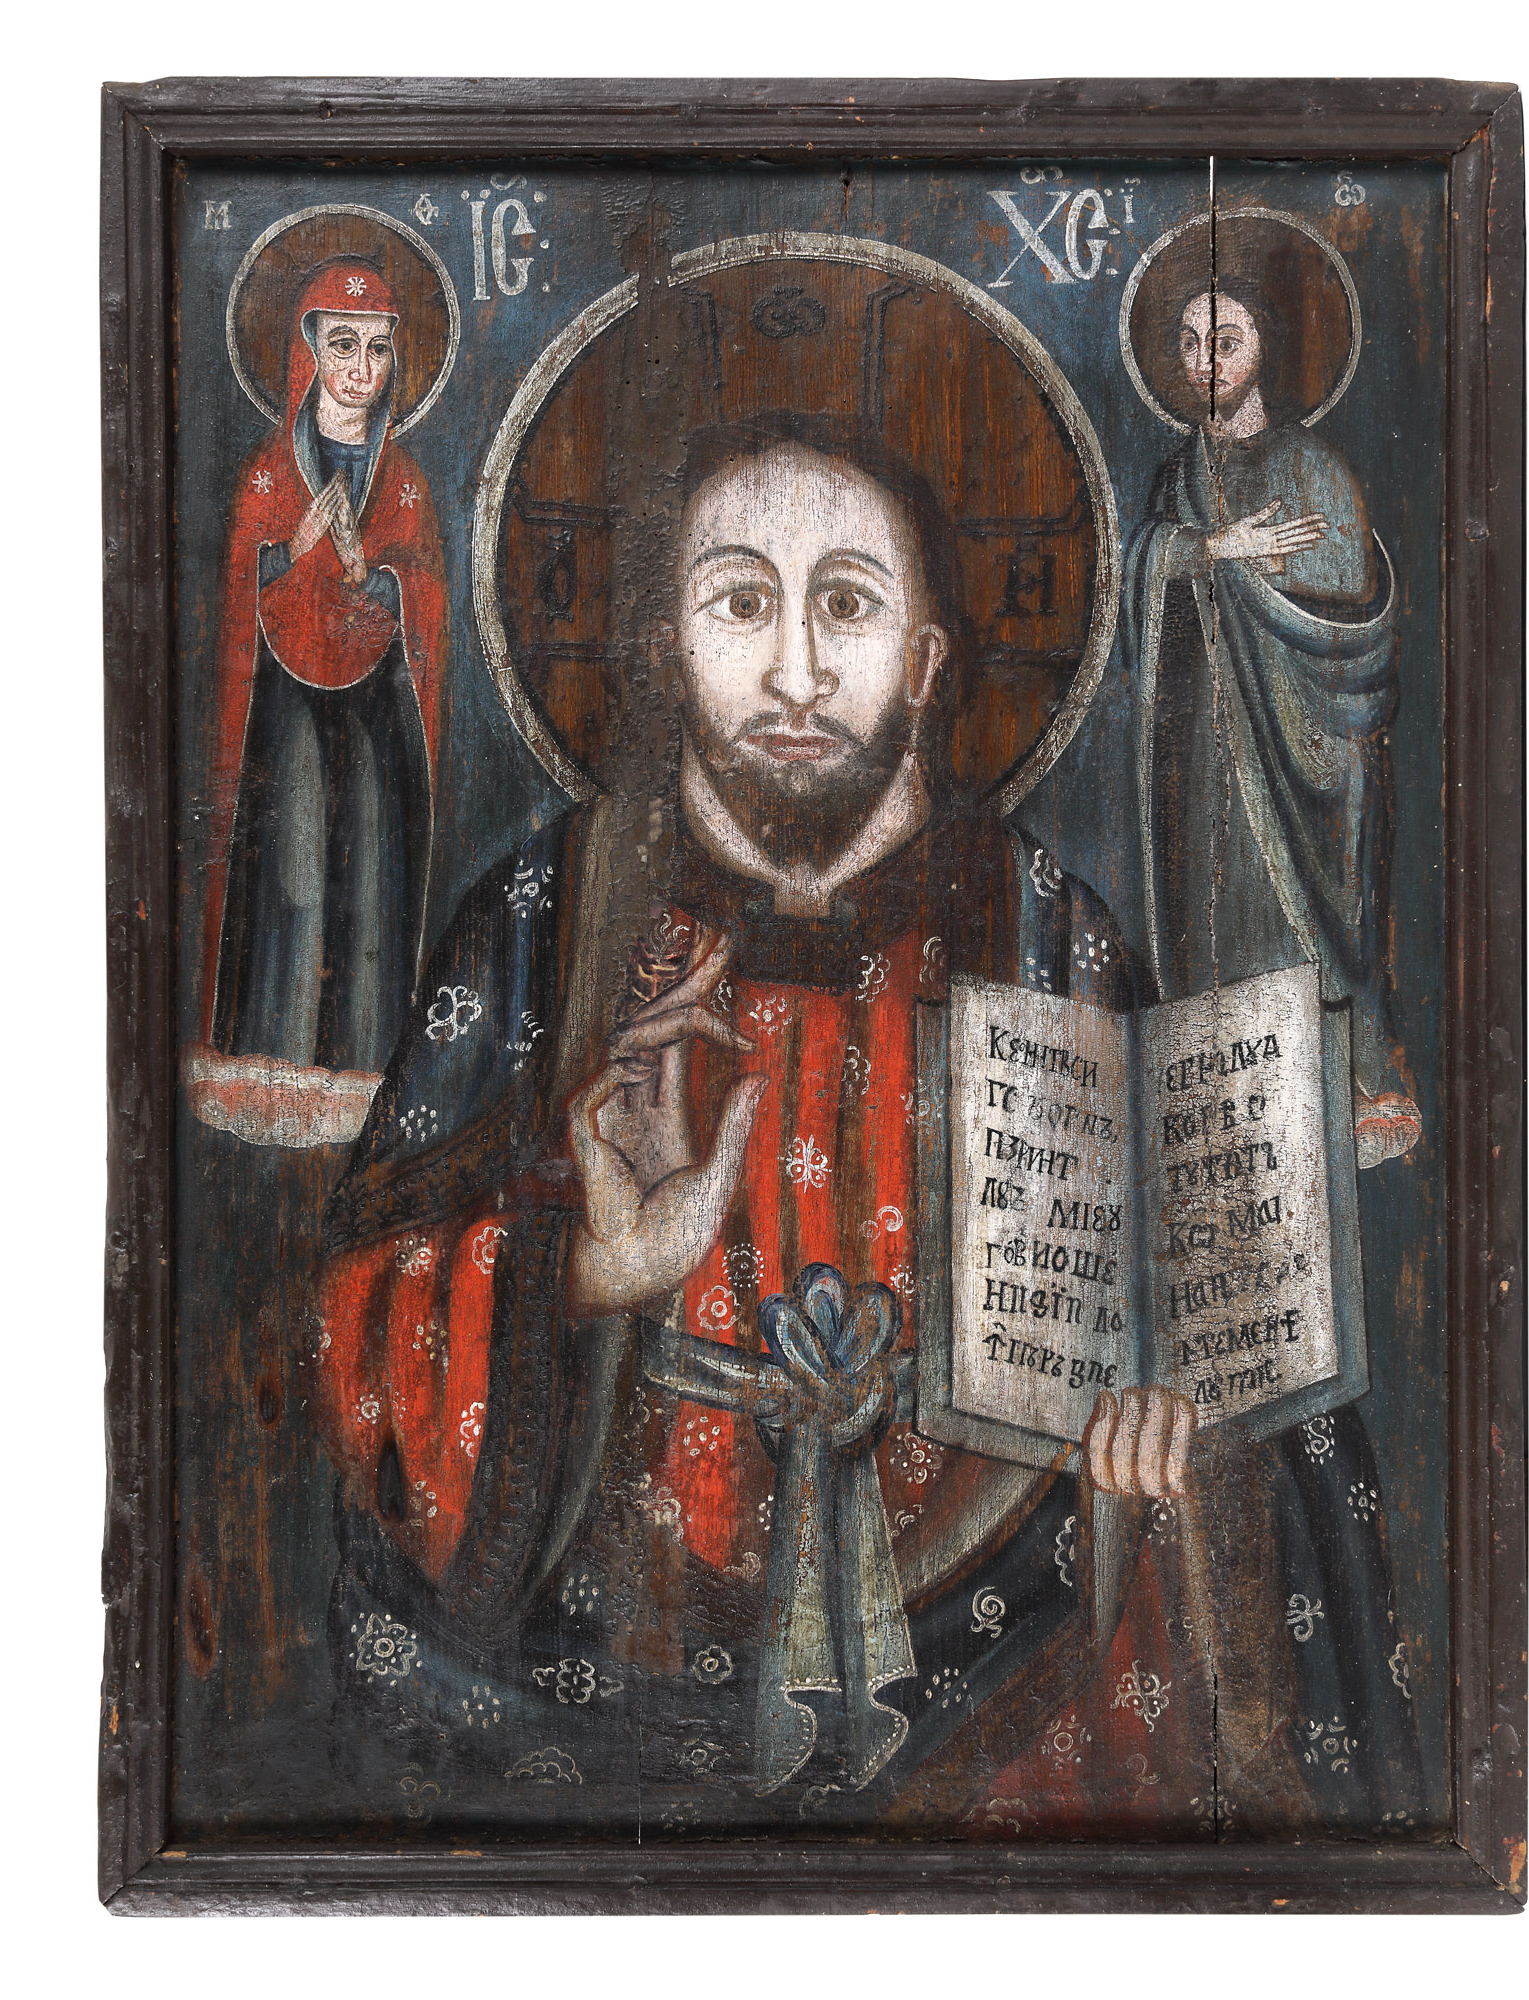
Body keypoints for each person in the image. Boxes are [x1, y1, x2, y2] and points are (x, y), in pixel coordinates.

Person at [303, 412, 1418, 1836]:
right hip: (597, 1681)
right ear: (666, 647)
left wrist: (1167, 1424)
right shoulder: (546, 926)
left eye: (845, 604)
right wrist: (589, 1269)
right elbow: (349, 1322)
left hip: (1007, 1662)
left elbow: (1227, 1353)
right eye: (739, 603)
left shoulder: (1053, 940)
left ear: (928, 661)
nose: (796, 672)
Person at [1123, 277, 1422, 1167]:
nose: (1203, 361)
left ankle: (1337, 1101)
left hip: (1299, 749)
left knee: (1284, 926)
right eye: (1188, 342)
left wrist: (1257, 580)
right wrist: (1212, 550)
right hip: (1197, 753)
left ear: (1265, 351)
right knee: (1208, 930)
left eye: (1225, 341)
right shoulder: (1175, 477)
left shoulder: (1310, 465)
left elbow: (1355, 602)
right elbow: (1139, 583)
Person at [188, 259, 449, 1148]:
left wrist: (377, 577)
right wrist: (294, 552)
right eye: (343, 345)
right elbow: (242, 584)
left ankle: (366, 1076)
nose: (361, 369)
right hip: (286, 700)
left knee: (370, 869)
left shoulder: (403, 481)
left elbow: (423, 590)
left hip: (376, 705)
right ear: (308, 353)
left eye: (378, 349)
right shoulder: (269, 474)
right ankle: (273, 1066)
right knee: (292, 869)